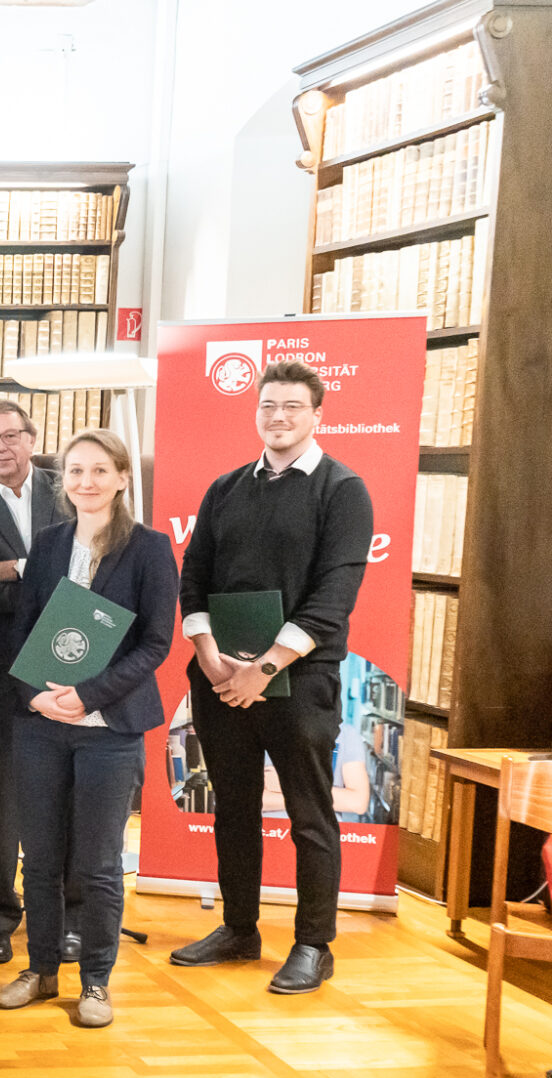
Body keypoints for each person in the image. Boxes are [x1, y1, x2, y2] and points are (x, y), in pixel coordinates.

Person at [170, 360, 374, 995]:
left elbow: (333, 597)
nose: (278, 417)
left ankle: (314, 943)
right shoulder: (226, 488)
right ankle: (239, 929)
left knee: (310, 813)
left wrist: (263, 669)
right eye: (268, 406)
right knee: (233, 809)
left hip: (298, 681)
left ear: (317, 415)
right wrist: (207, 653)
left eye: (292, 406)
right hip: (219, 678)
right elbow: (194, 575)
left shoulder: (343, 490)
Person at [0, 430, 177, 1028]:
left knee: (97, 865)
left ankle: (95, 981)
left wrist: (87, 696)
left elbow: (155, 643)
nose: (86, 482)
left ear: (122, 477)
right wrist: (38, 696)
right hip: (41, 724)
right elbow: (22, 630)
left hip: (110, 728)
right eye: (75, 471)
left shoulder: (150, 548)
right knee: (40, 859)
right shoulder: (48, 545)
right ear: (63, 480)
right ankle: (40, 970)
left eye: (99, 470)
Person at [0, 400, 70, 967]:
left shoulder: (69, 488)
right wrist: (32, 573)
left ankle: (64, 917)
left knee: (66, 796)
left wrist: (7, 576)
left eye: (10, 436)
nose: (0, 448)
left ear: (32, 437)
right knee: (1, 802)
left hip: (69, 667)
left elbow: (92, 564)